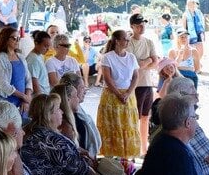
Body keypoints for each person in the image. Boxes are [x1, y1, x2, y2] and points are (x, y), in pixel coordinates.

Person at [96, 30, 141, 158]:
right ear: (117, 41)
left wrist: (128, 92)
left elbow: (136, 76)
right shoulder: (108, 57)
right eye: (125, 39)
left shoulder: (131, 57)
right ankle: (111, 157)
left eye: (128, 39)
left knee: (128, 125)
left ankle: (127, 156)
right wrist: (118, 93)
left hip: (128, 95)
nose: (127, 41)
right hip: (112, 95)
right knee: (112, 125)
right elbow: (107, 78)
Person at [126, 14, 160, 152]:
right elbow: (134, 64)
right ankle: (134, 146)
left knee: (146, 116)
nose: (142, 27)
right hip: (135, 85)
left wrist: (145, 62)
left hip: (147, 83)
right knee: (135, 117)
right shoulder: (129, 43)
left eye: (143, 24)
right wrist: (148, 61)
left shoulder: (149, 42)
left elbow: (155, 61)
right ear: (132, 26)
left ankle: (144, 147)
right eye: (138, 25)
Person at [57, 72, 102, 158]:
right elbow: (73, 149)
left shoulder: (77, 112)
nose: (85, 91)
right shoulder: (66, 120)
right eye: (82, 87)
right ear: (72, 92)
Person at [0, 26, 32, 114]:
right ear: (5, 39)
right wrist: (24, 96)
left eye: (18, 38)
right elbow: (4, 85)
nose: (17, 40)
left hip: (23, 103)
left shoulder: (21, 57)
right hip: (7, 102)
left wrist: (26, 99)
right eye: (14, 38)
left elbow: (28, 79)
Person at [26, 31, 53, 97]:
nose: (47, 49)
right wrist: (40, 98)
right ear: (36, 43)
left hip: (45, 94)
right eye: (45, 46)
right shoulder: (33, 60)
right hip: (40, 97)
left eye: (49, 46)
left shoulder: (40, 55)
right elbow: (34, 81)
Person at [182, 0, 206, 70]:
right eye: (191, 4)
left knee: (201, 50)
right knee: (191, 50)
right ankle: (195, 65)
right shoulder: (185, 14)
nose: (193, 5)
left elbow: (202, 23)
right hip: (190, 34)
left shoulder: (198, 13)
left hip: (198, 32)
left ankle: (197, 62)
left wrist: (204, 32)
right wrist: (184, 36)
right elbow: (184, 26)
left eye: (194, 4)